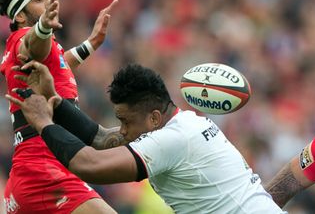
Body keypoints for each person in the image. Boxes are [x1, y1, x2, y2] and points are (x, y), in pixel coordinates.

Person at [7, 61, 286, 214]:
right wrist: (56, 101)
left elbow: (90, 165)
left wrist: (42, 121)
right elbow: (105, 140)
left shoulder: (172, 140)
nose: (123, 130)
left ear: (153, 117)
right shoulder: (182, 124)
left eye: (126, 121)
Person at [0, 0, 124, 213]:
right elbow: (33, 44)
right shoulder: (23, 38)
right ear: (21, 15)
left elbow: (59, 63)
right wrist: (43, 26)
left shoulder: (32, 50)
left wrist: (90, 45)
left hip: (34, 165)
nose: (49, 2)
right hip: (44, 167)